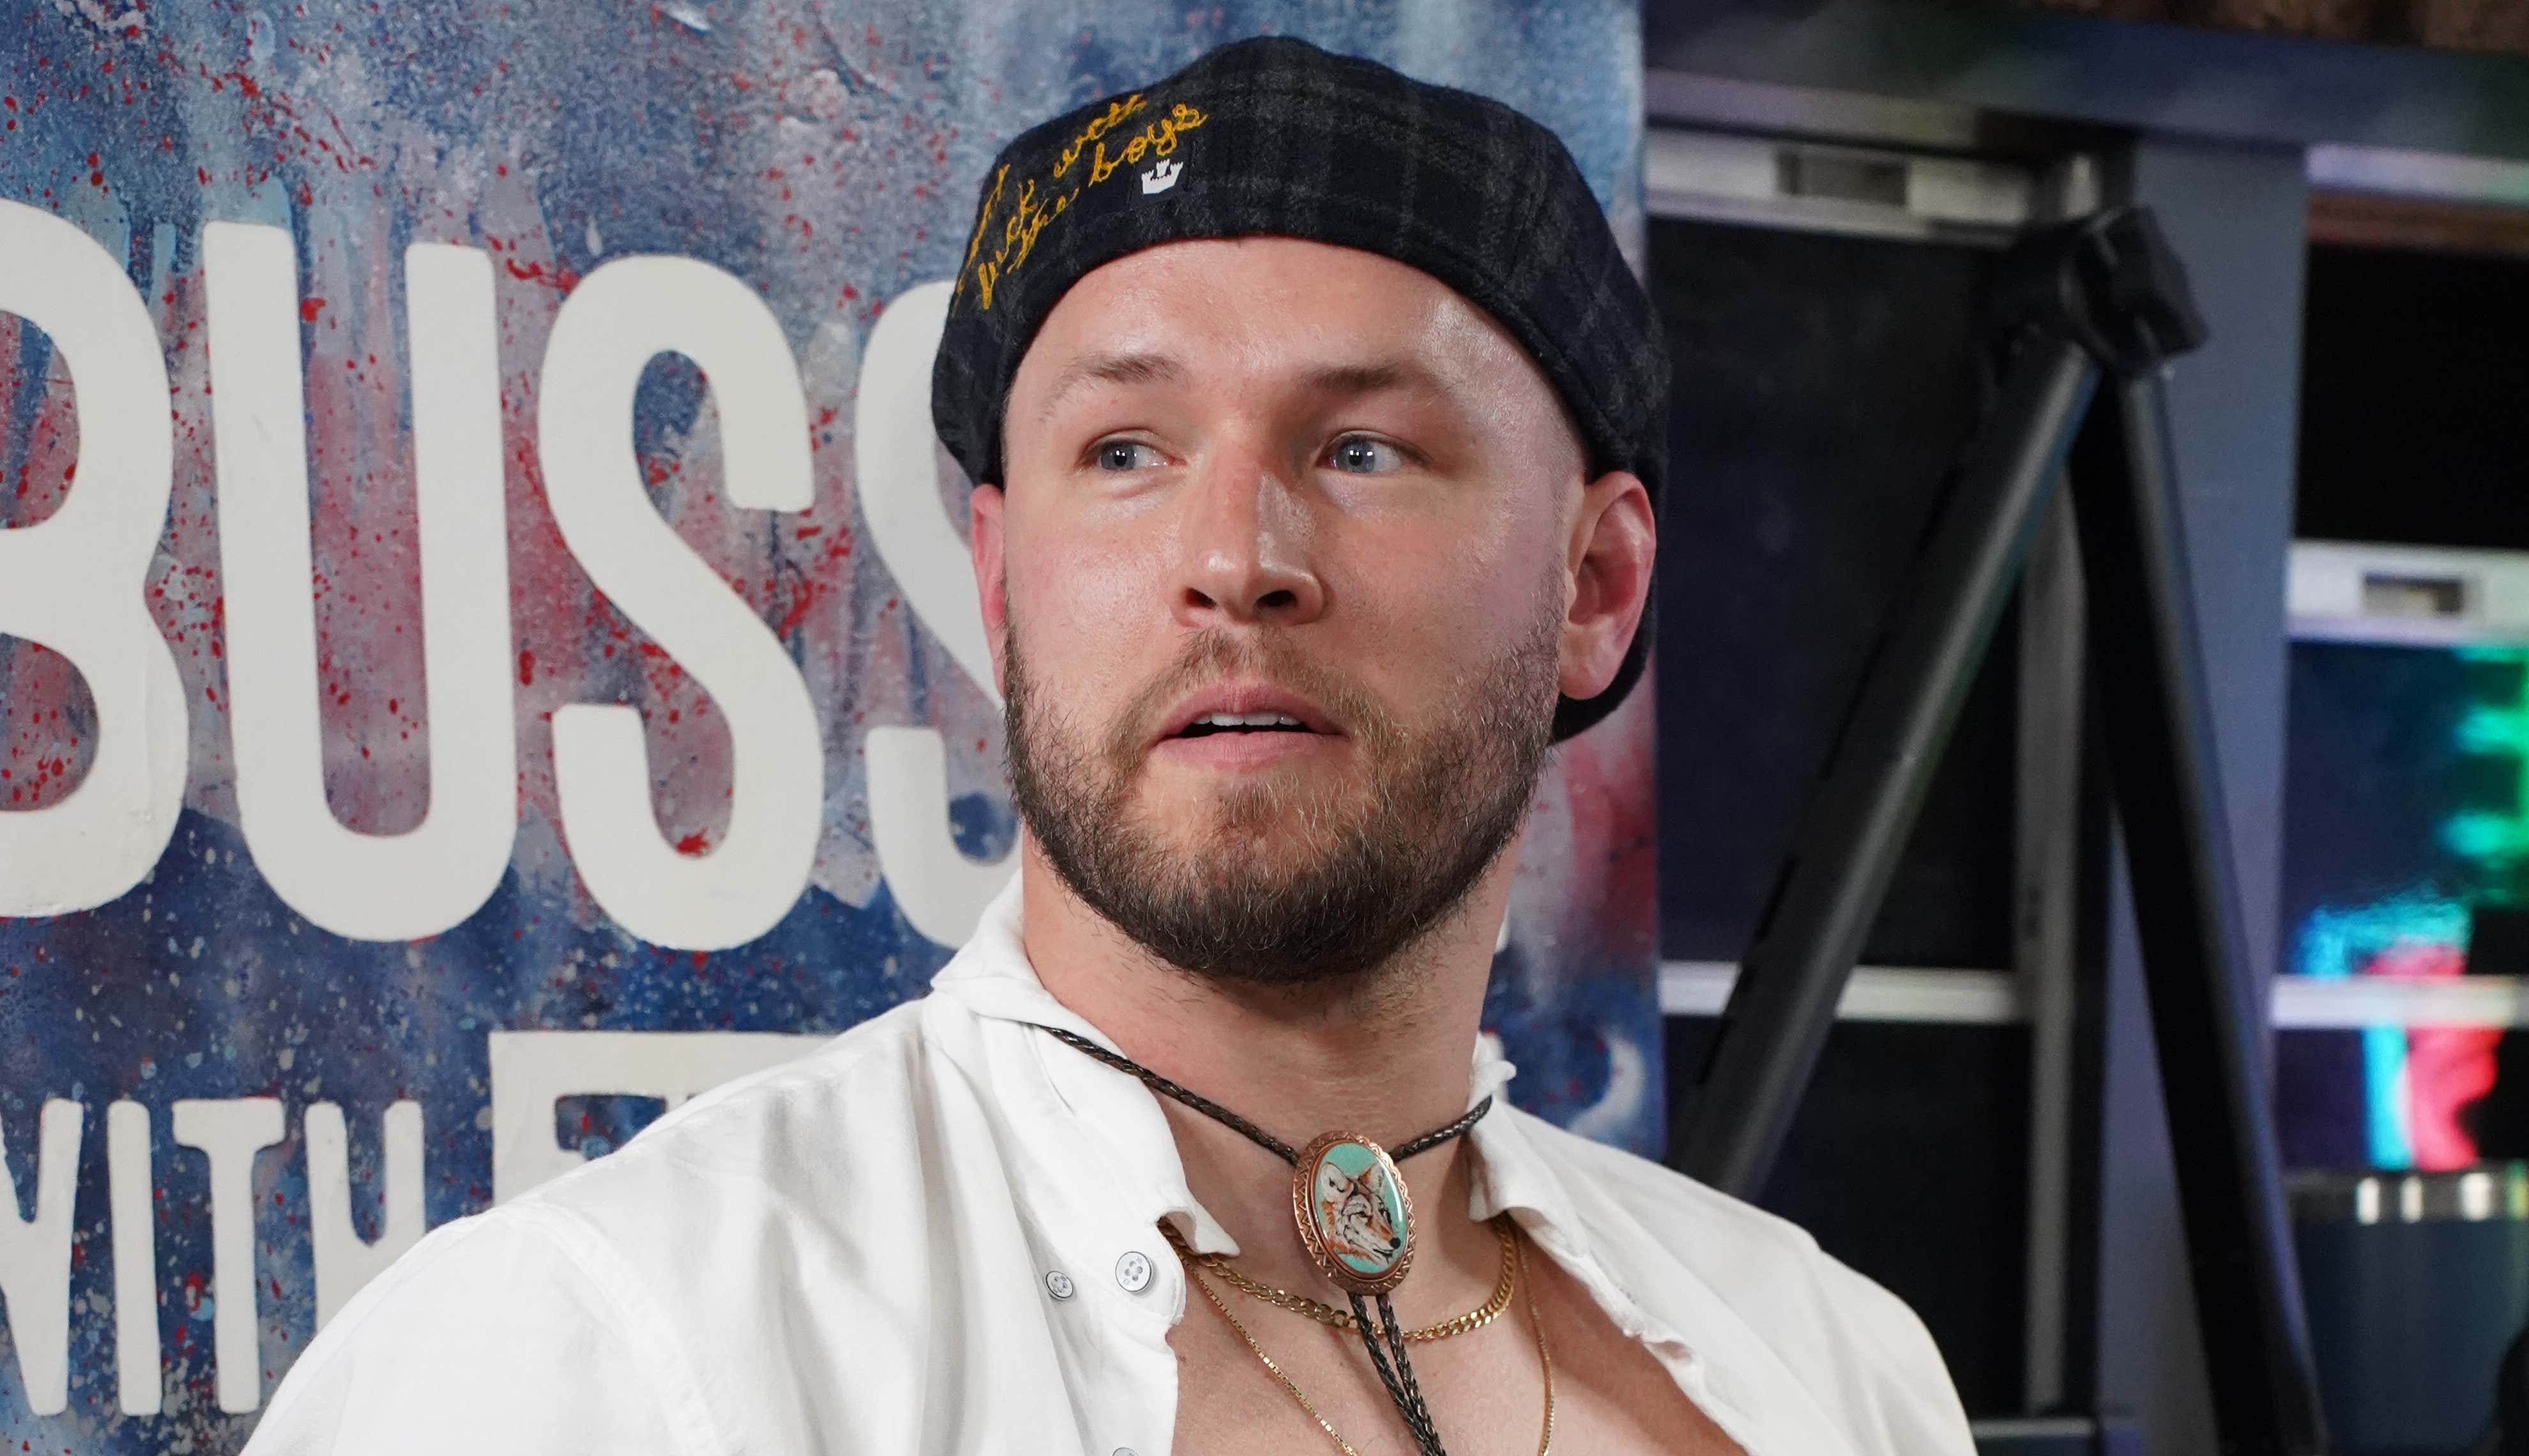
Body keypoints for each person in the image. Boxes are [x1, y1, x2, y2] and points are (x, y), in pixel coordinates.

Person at [245, 34, 1975, 1456]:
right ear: (1003, 579)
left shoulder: (1832, 1369)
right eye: (1126, 452)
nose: (1236, 559)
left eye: (1364, 449)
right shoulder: (619, 1354)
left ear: (1595, 586)